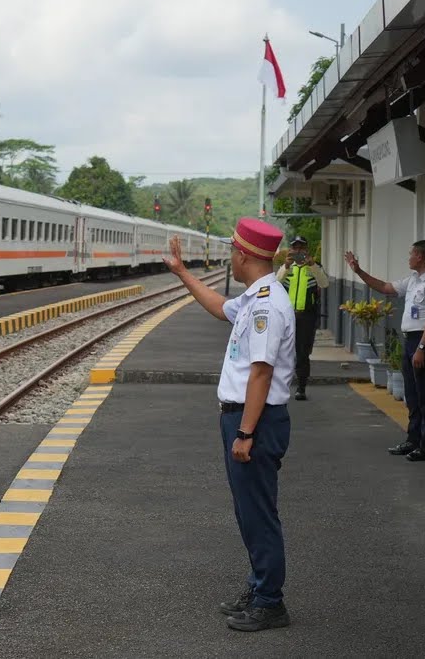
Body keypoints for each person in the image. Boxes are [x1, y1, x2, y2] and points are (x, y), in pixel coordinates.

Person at [165, 217, 295, 632]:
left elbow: (261, 373)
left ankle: (270, 602)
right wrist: (183, 273)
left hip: (254, 420)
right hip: (243, 417)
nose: (230, 258)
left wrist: (245, 433)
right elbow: (219, 308)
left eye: (233, 251)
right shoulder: (255, 296)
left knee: (258, 513)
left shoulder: (267, 305)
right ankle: (260, 587)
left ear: (243, 255)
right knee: (248, 511)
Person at [344, 241, 425, 462]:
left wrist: (422, 347)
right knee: (412, 394)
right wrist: (359, 271)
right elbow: (385, 288)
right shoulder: (413, 281)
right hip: (411, 341)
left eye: (411, 253)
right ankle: (414, 440)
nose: (408, 257)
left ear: (420, 256)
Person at [276, 236, 329, 400]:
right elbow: (276, 282)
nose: (298, 251)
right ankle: (280, 386)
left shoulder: (315, 267)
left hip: (307, 316)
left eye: (302, 248)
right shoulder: (287, 267)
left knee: (303, 353)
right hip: (286, 317)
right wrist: (285, 266)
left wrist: (312, 265)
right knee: (282, 352)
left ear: (307, 250)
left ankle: (301, 387)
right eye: (295, 248)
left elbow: (324, 283)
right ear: (290, 250)